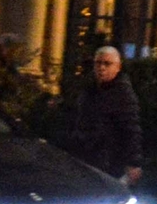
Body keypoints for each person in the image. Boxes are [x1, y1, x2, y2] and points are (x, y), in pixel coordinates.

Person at [55, 44, 144, 187]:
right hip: (84, 156)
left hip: (107, 160)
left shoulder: (123, 94)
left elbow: (131, 129)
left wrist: (133, 163)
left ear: (118, 67)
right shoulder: (88, 89)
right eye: (98, 63)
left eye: (107, 64)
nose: (102, 68)